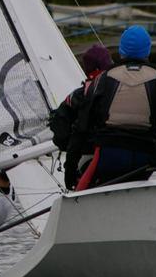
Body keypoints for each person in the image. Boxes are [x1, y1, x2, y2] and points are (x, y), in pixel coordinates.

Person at [65, 26, 156, 190]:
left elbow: (82, 126)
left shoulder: (103, 78)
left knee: (79, 188)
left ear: (121, 51)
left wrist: (69, 169)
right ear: (147, 51)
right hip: (145, 156)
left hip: (108, 154)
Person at [48, 43, 113, 187]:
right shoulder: (116, 91)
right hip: (108, 156)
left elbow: (61, 135)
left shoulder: (76, 96)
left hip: (83, 157)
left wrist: (69, 170)